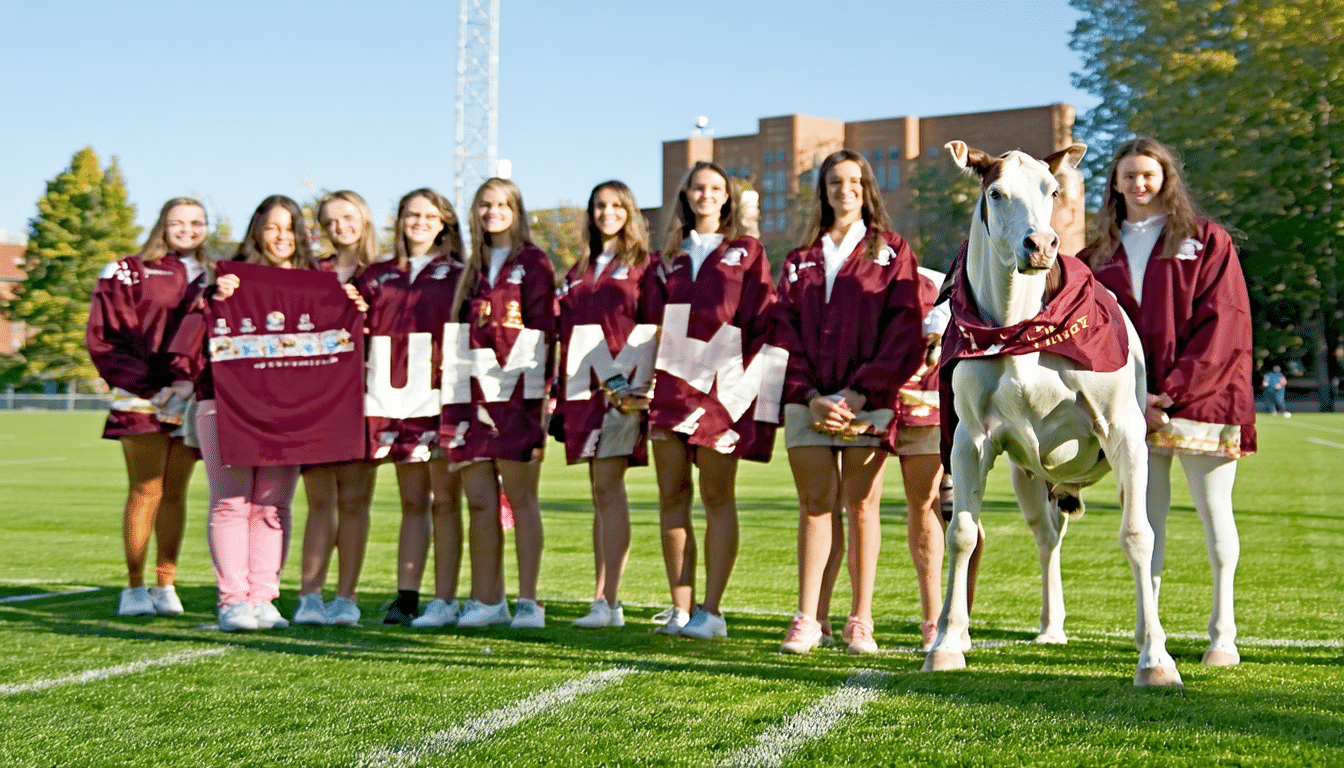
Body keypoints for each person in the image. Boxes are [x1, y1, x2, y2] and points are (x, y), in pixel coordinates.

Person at [1082, 137, 1256, 666]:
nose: (1139, 184)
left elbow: (1224, 324)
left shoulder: (1205, 240)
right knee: (1144, 520)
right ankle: (1148, 628)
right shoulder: (1094, 258)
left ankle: (1222, 631)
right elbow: (1090, 335)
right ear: (1113, 183)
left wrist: (1171, 393)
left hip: (1205, 401)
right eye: (1128, 175)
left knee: (1214, 513)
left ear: (1165, 179)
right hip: (1130, 410)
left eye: (1149, 175)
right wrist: (1135, 399)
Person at [168, 195, 365, 631]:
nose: (281, 237)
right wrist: (210, 299)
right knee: (233, 502)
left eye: (289, 228)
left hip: (290, 410)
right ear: (257, 229)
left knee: (274, 505)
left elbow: (346, 334)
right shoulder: (225, 275)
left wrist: (351, 306)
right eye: (272, 227)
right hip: (223, 402)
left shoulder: (319, 281)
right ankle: (233, 599)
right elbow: (186, 333)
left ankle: (263, 597)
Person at [771, 150, 926, 654]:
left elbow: (905, 330)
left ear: (868, 188)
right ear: (823, 189)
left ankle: (860, 618)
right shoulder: (799, 260)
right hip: (807, 399)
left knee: (862, 506)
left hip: (870, 400)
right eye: (835, 181)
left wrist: (860, 391)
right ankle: (809, 618)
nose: (845, 189)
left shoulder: (893, 250)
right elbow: (783, 332)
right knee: (816, 506)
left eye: (855, 181)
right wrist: (813, 397)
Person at [642, 161, 777, 639]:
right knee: (672, 499)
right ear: (686, 195)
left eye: (715, 188)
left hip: (724, 391)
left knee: (718, 497)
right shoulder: (665, 257)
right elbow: (647, 324)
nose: (706, 195)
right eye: (698, 187)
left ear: (727, 198)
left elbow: (764, 322)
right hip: (671, 389)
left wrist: (747, 397)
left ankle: (712, 612)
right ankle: (680, 609)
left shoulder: (748, 250)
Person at [87, 197, 210, 617]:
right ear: (162, 224)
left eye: (196, 222)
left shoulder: (216, 274)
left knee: (175, 493)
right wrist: (151, 386)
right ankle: (135, 586)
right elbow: (107, 334)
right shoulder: (127, 269)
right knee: (146, 491)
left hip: (191, 397)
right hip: (143, 397)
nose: (187, 229)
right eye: (178, 222)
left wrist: (188, 382)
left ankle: (165, 583)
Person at [445, 178, 556, 629]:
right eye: (485, 204)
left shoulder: (534, 262)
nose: (493, 211)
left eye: (502, 204)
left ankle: (529, 601)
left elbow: (545, 329)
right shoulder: (469, 268)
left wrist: (541, 399)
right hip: (471, 400)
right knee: (480, 503)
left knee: (522, 498)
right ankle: (487, 599)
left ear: (516, 209)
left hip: (518, 397)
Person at [354, 188, 466, 628]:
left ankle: (446, 597)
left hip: (441, 398)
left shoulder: (459, 274)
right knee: (413, 501)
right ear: (399, 220)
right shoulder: (378, 275)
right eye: (411, 215)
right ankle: (407, 597)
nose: (419, 222)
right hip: (396, 401)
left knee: (446, 502)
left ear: (443, 224)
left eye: (428, 215)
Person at [556, 181, 654, 628]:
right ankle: (601, 598)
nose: (606, 212)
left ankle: (609, 601)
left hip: (622, 392)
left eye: (616, 205)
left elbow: (654, 327)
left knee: (610, 490)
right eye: (599, 205)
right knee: (599, 494)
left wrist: (642, 388)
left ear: (629, 212)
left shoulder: (642, 267)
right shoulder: (577, 269)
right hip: (582, 392)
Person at [292, 191, 381, 626]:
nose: (340, 226)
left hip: (368, 397)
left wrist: (372, 314)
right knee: (319, 499)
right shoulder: (312, 271)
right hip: (317, 399)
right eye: (330, 221)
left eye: (348, 217)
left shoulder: (385, 272)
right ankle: (310, 595)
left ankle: (346, 597)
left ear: (363, 217)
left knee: (356, 500)